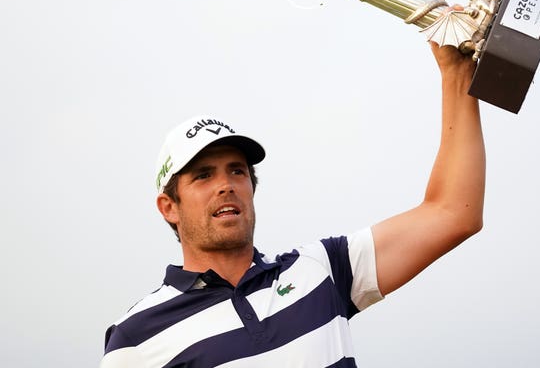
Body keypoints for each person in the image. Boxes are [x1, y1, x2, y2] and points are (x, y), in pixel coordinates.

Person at [100, 35, 485, 367]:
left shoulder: (320, 269)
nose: (226, 185)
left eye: (237, 171)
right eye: (203, 175)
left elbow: (453, 212)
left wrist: (457, 74)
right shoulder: (135, 338)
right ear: (169, 207)